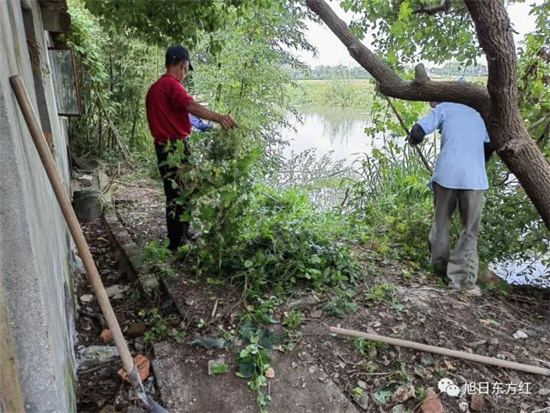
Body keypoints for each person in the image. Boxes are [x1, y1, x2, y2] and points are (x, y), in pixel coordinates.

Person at [146, 45, 238, 252]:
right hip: (174, 148)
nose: (186, 74)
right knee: (178, 194)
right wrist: (219, 117)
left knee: (181, 191)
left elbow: (181, 111)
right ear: (182, 65)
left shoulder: (155, 88)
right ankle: (175, 243)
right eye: (187, 69)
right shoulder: (172, 85)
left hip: (164, 147)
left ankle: (182, 232)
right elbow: (190, 106)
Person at [408, 101, 494, 296]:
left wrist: (413, 140)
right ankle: (462, 282)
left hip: (447, 175)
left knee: (440, 222)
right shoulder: (478, 115)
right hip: (474, 178)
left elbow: (418, 130)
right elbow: (489, 147)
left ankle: (438, 269)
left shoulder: (444, 108)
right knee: (469, 231)